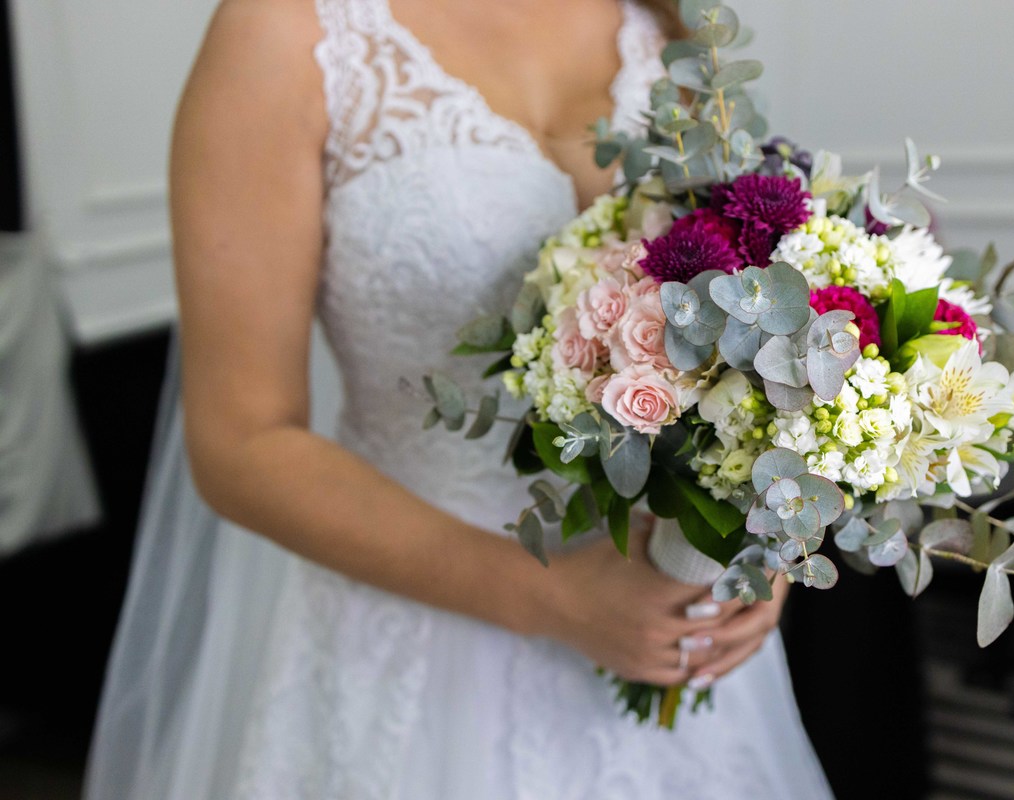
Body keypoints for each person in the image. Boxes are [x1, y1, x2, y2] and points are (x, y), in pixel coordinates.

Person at [84, 0, 835, 797]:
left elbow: (740, 337)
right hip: (418, 646)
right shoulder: (287, 31)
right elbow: (241, 442)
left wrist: (750, 543)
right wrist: (552, 598)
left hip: (673, 628)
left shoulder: (672, 33)